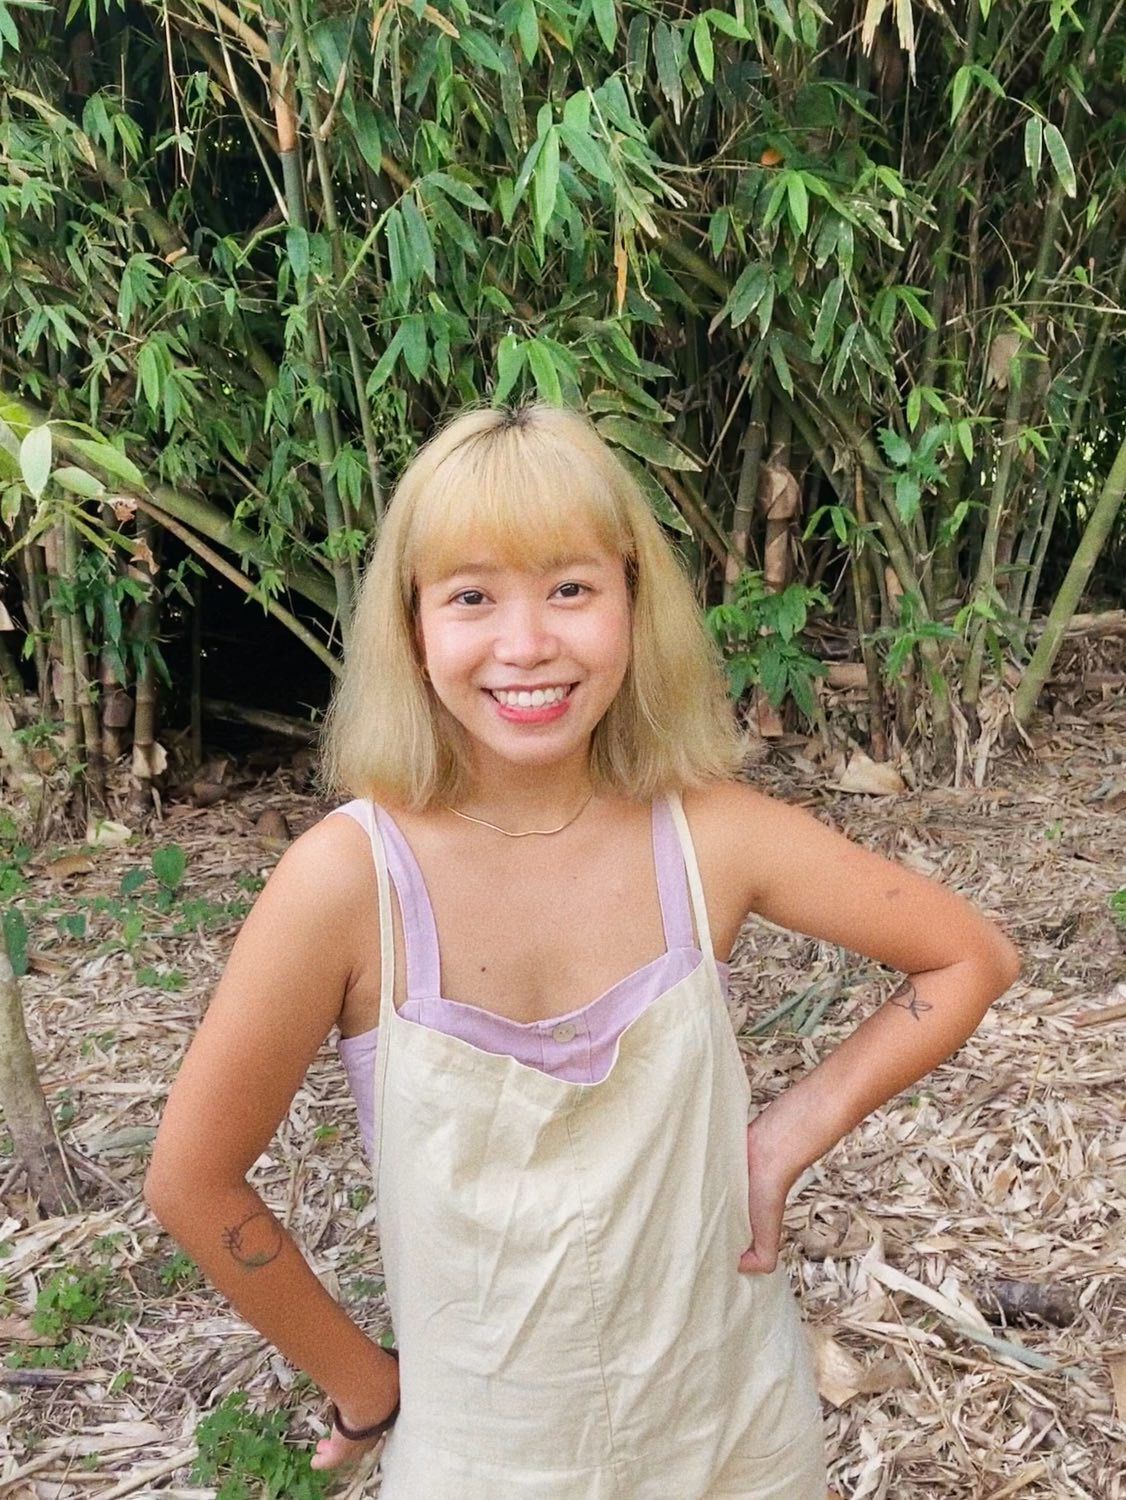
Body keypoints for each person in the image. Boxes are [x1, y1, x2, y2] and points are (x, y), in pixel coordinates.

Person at [145, 403, 1020, 1499]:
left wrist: (783, 1137)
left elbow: (966, 955)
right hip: (485, 1461)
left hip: (734, 1435)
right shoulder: (346, 881)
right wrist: (364, 1385)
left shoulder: (709, 833)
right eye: (471, 596)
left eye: (569, 588)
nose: (526, 644)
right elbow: (192, 1179)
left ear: (632, 602)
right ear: (412, 629)